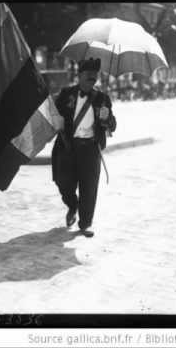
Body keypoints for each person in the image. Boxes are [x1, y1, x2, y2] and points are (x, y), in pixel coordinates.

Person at [51, 58, 117, 238]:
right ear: (79, 76)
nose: (92, 79)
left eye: (94, 77)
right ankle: (73, 205)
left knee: (89, 188)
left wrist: (106, 118)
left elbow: (112, 126)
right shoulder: (66, 94)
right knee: (63, 183)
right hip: (67, 147)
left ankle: (85, 223)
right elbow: (54, 114)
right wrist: (56, 120)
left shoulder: (103, 99)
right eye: (88, 76)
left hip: (90, 149)